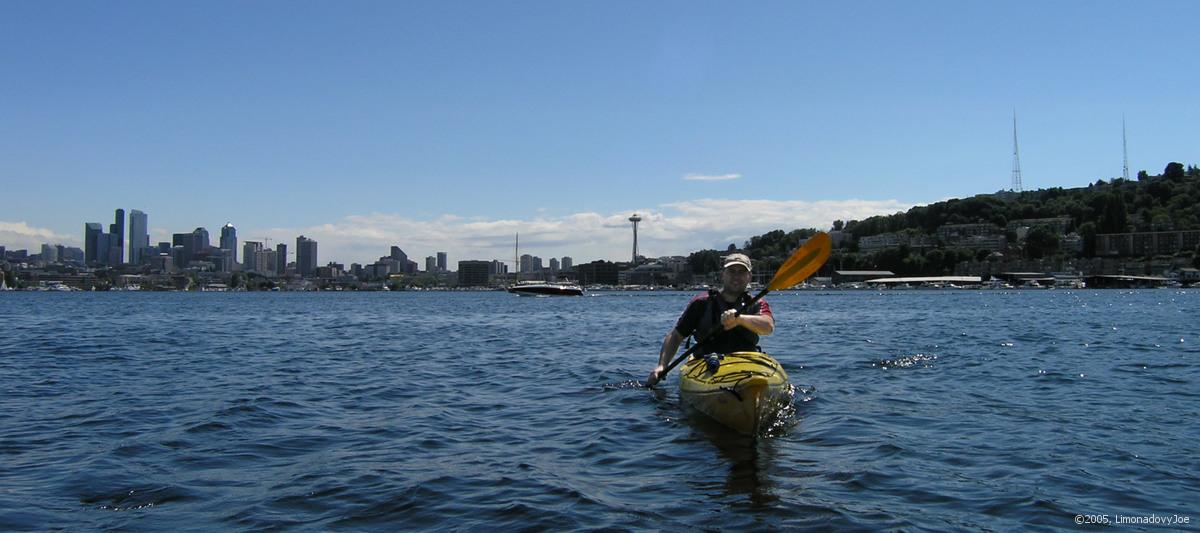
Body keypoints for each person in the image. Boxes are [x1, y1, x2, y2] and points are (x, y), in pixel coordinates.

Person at [646, 252, 774, 387]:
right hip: (707, 363)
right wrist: (662, 365)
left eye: (741, 272)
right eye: (731, 271)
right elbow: (676, 335)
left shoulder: (756, 303)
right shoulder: (701, 303)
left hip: (747, 361)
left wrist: (740, 319)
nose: (736, 276)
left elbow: (768, 327)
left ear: (749, 277)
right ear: (723, 275)